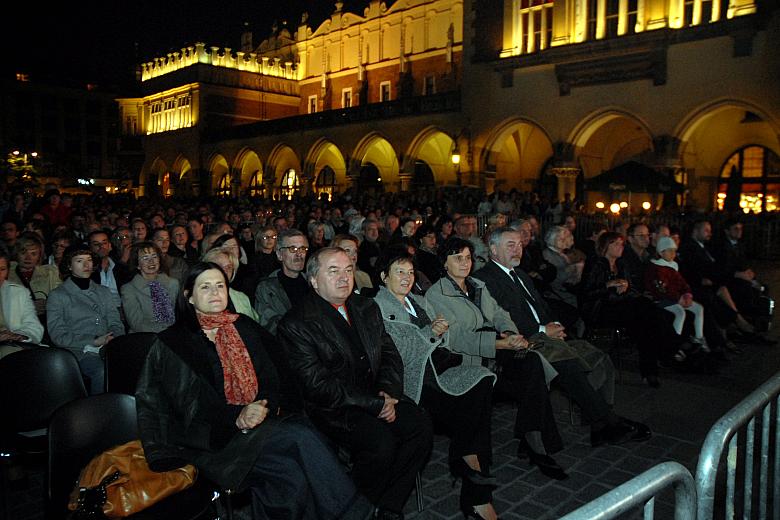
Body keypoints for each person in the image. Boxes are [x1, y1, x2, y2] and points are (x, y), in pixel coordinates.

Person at [135, 262, 373, 519]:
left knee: (291, 476)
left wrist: (263, 406)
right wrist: (235, 417)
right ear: (188, 296)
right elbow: (170, 407)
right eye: (206, 287)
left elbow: (277, 375)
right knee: (301, 438)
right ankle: (358, 514)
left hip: (262, 425)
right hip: (212, 441)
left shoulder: (243, 326)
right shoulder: (172, 344)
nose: (216, 293)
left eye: (220, 286)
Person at [278, 247, 433, 519]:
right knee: (380, 443)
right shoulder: (297, 323)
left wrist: (389, 393)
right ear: (313, 280)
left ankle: (387, 505)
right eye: (333, 271)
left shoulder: (365, 307)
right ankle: (353, 507)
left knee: (420, 426)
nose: (344, 277)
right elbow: (318, 385)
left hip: (378, 395)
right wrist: (375, 404)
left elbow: (389, 355)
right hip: (333, 408)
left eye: (349, 269)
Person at [473, 228, 650, 447]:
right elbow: (505, 317)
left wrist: (555, 325)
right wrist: (544, 330)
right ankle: (608, 422)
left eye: (520, 244)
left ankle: (599, 424)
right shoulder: (485, 278)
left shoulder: (520, 274)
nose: (518, 249)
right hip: (520, 342)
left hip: (544, 335)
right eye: (511, 245)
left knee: (600, 359)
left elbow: (542, 306)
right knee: (569, 364)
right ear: (493, 249)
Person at [426, 237, 569, 481]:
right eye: (457, 258)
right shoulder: (436, 294)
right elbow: (456, 339)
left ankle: (535, 442)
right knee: (530, 373)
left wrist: (511, 333)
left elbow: (500, 314)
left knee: (532, 363)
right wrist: (500, 343)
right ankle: (526, 444)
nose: (464, 263)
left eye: (468, 258)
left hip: (496, 350)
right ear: (445, 263)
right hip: (470, 358)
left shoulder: (477, 285)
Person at [373, 249, 500, 520]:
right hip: (412, 382)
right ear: (384, 277)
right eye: (399, 272)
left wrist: (442, 331)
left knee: (481, 381)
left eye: (410, 273)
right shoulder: (378, 308)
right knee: (473, 408)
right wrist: (431, 332)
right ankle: (475, 483)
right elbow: (399, 356)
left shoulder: (419, 301)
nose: (407, 278)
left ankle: (467, 466)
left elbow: (447, 339)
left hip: (438, 373)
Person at [579, 232, 680, 388]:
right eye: (617, 244)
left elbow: (632, 289)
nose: (621, 247)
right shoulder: (595, 263)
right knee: (650, 315)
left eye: (622, 243)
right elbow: (587, 292)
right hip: (602, 310)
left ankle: (650, 372)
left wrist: (625, 287)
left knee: (647, 324)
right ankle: (670, 350)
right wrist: (609, 285)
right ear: (607, 246)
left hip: (625, 307)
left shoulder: (622, 264)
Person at [47, 245, 125, 394]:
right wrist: (93, 340)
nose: (86, 265)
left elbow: (115, 322)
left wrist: (113, 338)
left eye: (89, 260)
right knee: (101, 371)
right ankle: (98, 412)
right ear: (69, 266)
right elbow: (58, 335)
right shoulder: (58, 295)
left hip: (108, 345)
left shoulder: (103, 291)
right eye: (79, 261)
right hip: (78, 350)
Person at [645, 237, 708, 356]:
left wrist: (687, 294)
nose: (673, 253)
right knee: (680, 312)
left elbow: (682, 283)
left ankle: (699, 337)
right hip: (661, 299)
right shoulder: (656, 269)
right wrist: (678, 298)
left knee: (698, 308)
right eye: (670, 250)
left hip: (676, 298)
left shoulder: (673, 266)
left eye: (674, 250)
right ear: (661, 252)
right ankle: (675, 343)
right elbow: (661, 289)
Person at [254, 229, 309, 335]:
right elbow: (268, 324)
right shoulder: (266, 288)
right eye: (293, 249)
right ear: (279, 254)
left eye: (302, 249)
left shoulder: (313, 283)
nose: (299, 254)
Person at [120, 242, 179, 333]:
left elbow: (180, 314)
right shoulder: (129, 289)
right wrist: (167, 331)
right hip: (145, 338)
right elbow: (137, 324)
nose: (151, 261)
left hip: (174, 334)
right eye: (145, 258)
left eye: (154, 257)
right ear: (137, 265)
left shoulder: (173, 283)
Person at [7, 232, 62, 317]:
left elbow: (61, 300)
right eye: (23, 253)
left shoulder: (50, 272)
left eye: (33, 254)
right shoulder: (5, 273)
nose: (28, 258)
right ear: (16, 254)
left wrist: (47, 304)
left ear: (39, 256)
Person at [0, 247, 44, 351]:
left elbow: (34, 327)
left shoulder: (18, 292)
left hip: (15, 346)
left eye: (2, 269)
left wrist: (19, 336)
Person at [202, 248, 260, 322]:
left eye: (229, 267)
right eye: (219, 266)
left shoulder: (241, 297)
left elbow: (253, 326)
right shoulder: (199, 296)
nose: (224, 271)